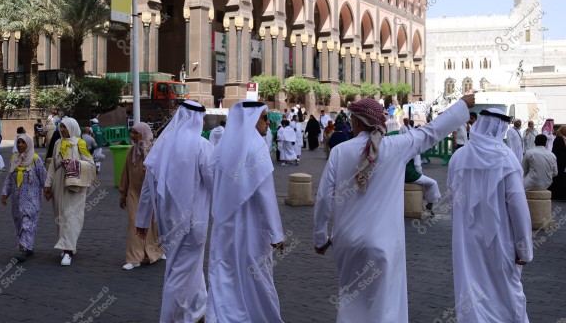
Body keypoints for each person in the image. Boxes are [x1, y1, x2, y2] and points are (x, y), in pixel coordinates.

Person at [314, 95, 475, 323]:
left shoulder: (340, 152)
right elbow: (432, 131)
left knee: (351, 301)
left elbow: (323, 199)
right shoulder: (397, 147)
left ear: (357, 122)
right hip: (383, 245)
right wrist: (461, 105)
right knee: (385, 307)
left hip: (346, 242)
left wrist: (320, 237)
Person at [448, 108, 532, 322]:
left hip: (466, 240)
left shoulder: (458, 156)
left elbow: (453, 196)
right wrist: (524, 250)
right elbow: (518, 207)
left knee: (472, 289)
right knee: (506, 293)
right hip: (500, 240)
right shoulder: (507, 157)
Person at [205, 100, 284, 323]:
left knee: (226, 276)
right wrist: (276, 234)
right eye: (264, 118)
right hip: (252, 228)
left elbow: (212, 179)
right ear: (250, 119)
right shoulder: (257, 147)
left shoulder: (222, 147)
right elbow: (266, 197)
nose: (268, 123)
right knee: (256, 279)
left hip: (225, 227)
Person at [137, 101, 214, 322]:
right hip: (193, 225)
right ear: (197, 119)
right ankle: (170, 317)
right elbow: (215, 183)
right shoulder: (201, 146)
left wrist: (142, 221)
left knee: (188, 267)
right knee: (178, 275)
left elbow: (147, 186)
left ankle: (198, 310)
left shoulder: (162, 146)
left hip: (167, 224)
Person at [44, 117, 96, 266]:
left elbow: (90, 164)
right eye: (61, 127)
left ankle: (67, 251)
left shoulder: (80, 143)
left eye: (65, 127)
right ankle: (68, 245)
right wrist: (48, 185)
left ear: (72, 127)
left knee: (71, 215)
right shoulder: (58, 143)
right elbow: (53, 165)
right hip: (58, 184)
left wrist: (73, 164)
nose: (62, 130)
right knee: (60, 215)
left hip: (75, 184)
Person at [119, 122, 163, 270]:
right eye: (131, 132)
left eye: (135, 133)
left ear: (143, 134)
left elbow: (162, 173)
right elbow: (125, 173)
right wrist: (122, 193)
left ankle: (155, 250)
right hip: (133, 193)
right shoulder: (131, 152)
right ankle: (134, 257)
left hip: (150, 194)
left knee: (152, 225)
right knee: (134, 223)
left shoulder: (154, 151)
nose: (132, 136)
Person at [0, 134, 47, 262]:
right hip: (17, 199)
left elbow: (44, 177)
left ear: (29, 144)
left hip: (32, 198)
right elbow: (9, 178)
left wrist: (48, 191)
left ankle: (24, 248)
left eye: (23, 142)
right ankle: (29, 247)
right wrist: (5, 194)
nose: (20, 145)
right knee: (20, 223)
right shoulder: (14, 159)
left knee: (28, 222)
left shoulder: (35, 159)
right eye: (19, 142)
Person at [548, 126, 566, 200]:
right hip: (560, 161)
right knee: (559, 178)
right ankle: (558, 195)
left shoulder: (563, 139)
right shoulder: (559, 139)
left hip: (563, 161)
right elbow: (557, 151)